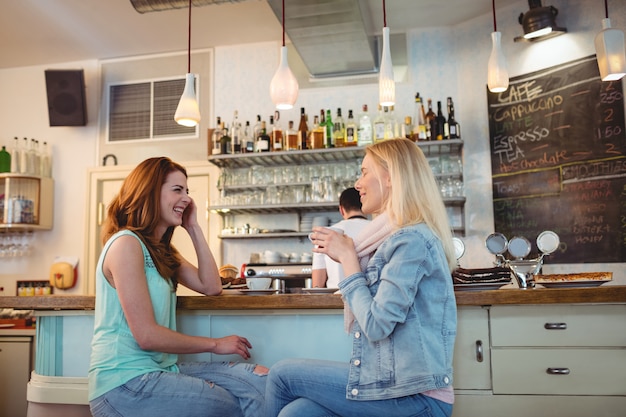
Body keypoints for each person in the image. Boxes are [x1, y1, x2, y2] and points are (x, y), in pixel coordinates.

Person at [265, 138, 458, 417]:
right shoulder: (390, 238)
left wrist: (348, 259)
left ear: (390, 177)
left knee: (282, 374)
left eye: (365, 172)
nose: (357, 183)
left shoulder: (412, 240)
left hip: (417, 397)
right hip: (393, 383)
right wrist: (348, 257)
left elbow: (377, 325)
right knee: (297, 413)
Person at [88, 157, 267, 417]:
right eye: (177, 190)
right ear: (149, 193)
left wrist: (193, 227)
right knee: (231, 403)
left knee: (258, 381)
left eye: (187, 191)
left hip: (159, 371)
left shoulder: (162, 251)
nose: (186, 199)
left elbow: (211, 286)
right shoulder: (126, 244)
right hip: (124, 382)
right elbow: (146, 336)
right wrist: (215, 345)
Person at [311, 187, 370, 289]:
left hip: (335, 300)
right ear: (365, 204)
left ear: (341, 210)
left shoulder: (326, 234)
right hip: (370, 299)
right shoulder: (378, 230)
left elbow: (317, 285)